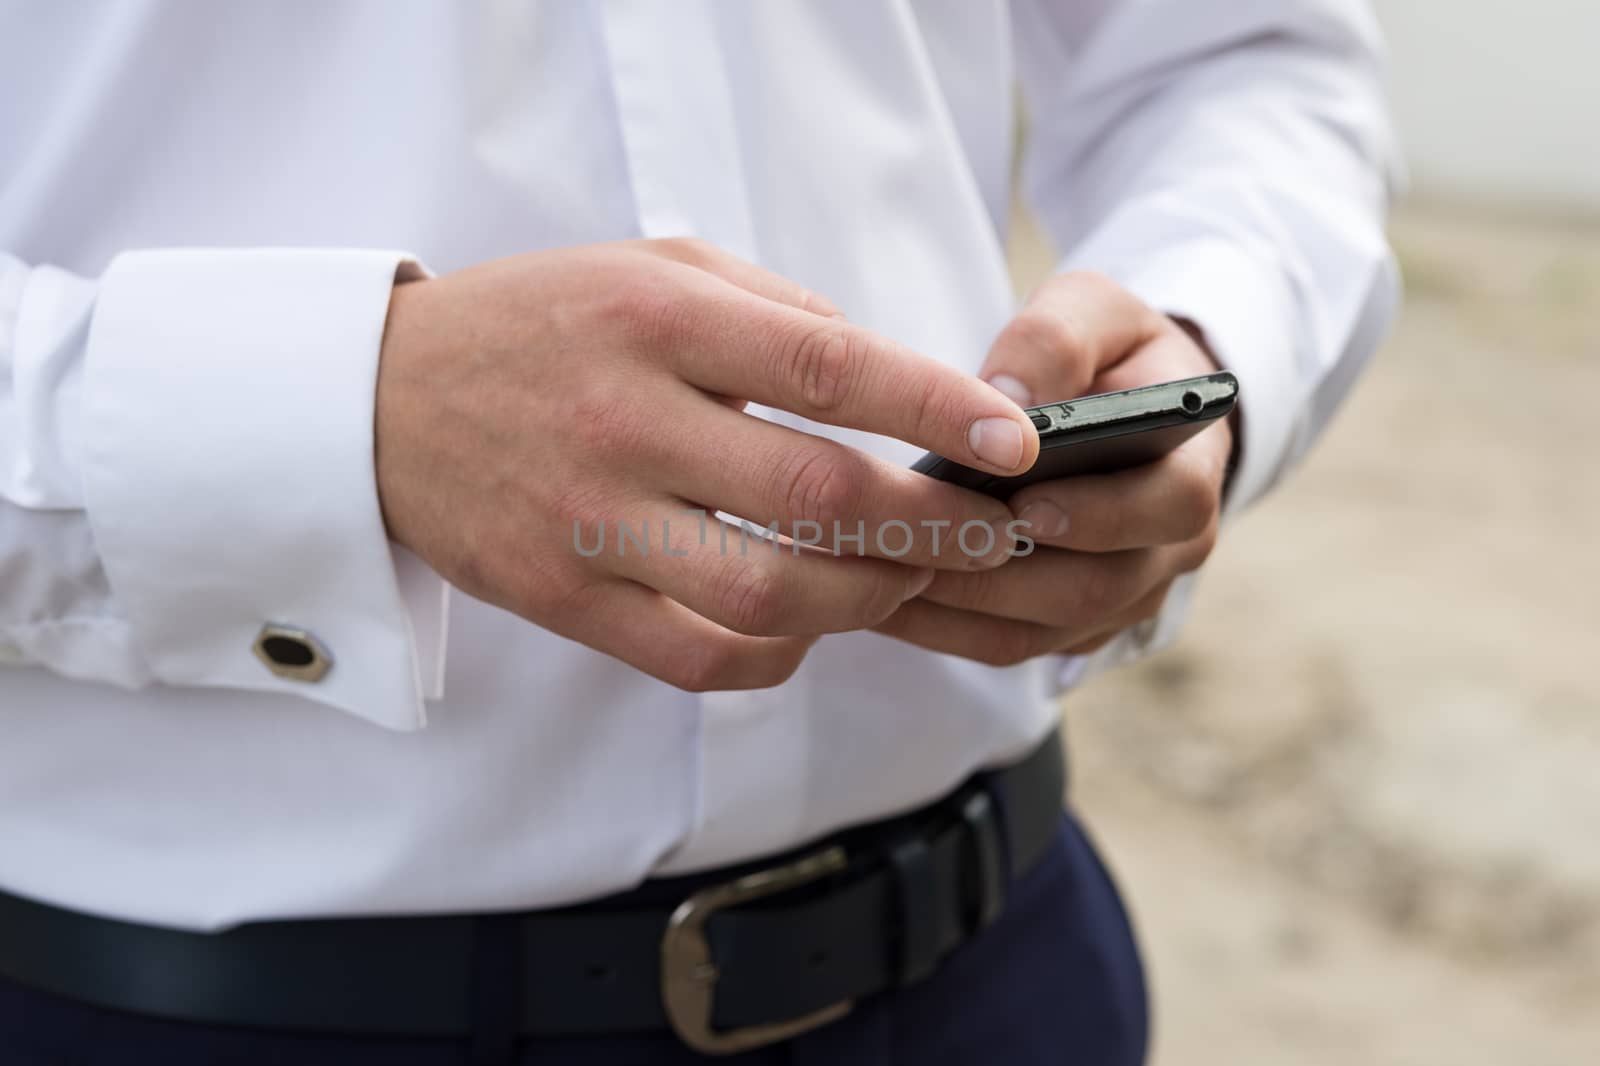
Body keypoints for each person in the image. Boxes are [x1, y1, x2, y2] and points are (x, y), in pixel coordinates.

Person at [0, 2, 1398, 1063]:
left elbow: (1243, 57)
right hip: (183, 1002)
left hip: (995, 965)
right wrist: (335, 410)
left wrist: (1206, 334)